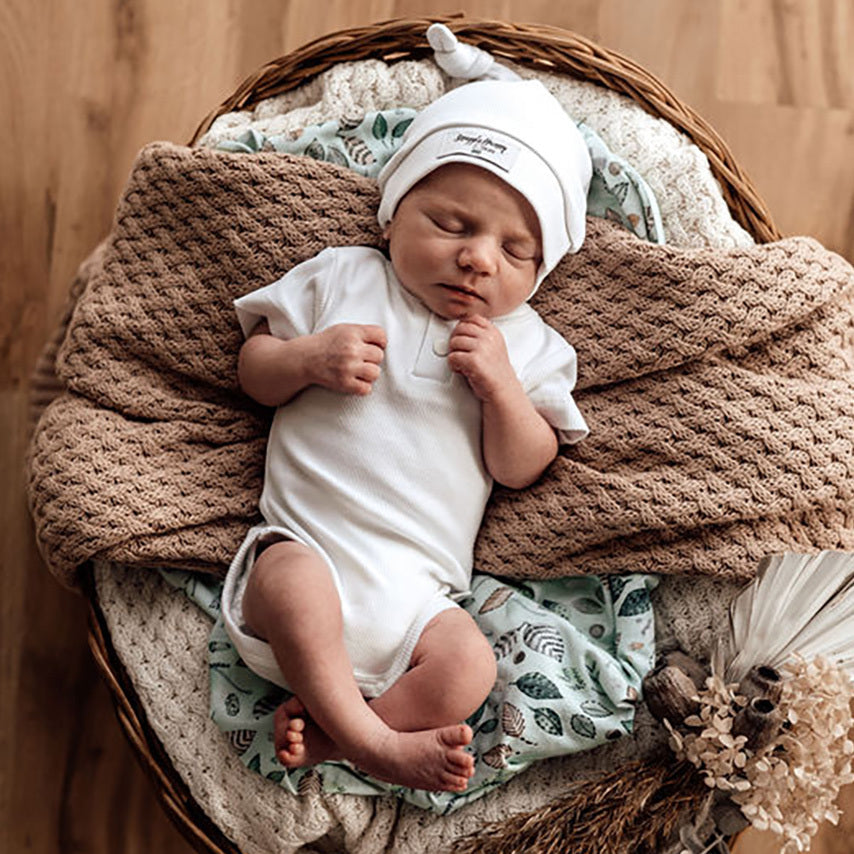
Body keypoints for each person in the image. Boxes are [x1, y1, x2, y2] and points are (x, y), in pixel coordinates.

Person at [222, 79, 592, 793]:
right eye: (453, 225)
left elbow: (524, 466)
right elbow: (253, 370)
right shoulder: (344, 276)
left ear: (540, 274)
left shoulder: (532, 347)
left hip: (417, 601)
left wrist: (502, 392)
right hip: (306, 548)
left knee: (471, 668)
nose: (479, 258)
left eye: (515, 251)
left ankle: (334, 735)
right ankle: (378, 746)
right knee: (293, 582)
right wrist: (307, 358)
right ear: (391, 218)